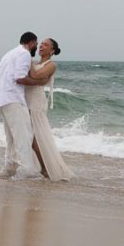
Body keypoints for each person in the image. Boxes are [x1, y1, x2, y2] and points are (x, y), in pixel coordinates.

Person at [0, 32, 46, 179]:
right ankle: (27, 169)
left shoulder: (9, 54)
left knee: (11, 137)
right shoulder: (24, 54)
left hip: (1, 98)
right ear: (32, 42)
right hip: (13, 98)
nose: (37, 47)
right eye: (36, 43)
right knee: (23, 135)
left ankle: (9, 168)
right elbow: (20, 78)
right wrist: (39, 82)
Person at [25, 38, 75, 181]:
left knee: (34, 137)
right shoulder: (35, 63)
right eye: (41, 44)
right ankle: (35, 166)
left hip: (35, 101)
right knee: (27, 135)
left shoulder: (51, 65)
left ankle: (45, 168)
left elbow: (35, 75)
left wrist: (26, 58)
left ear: (52, 50)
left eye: (45, 45)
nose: (41, 46)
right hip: (25, 99)